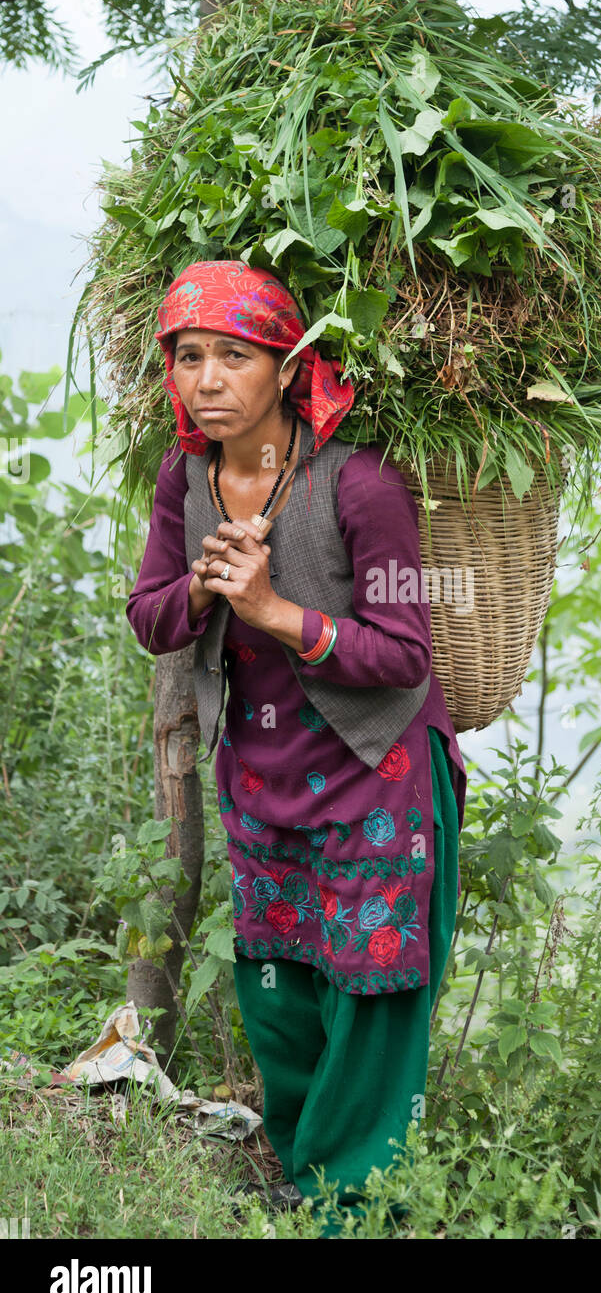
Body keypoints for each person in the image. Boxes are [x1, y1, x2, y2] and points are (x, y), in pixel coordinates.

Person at [125, 258, 466, 1236]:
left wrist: (276, 610)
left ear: (287, 367)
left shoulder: (361, 485)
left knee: (374, 985)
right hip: (264, 773)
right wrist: (199, 590)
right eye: (188, 357)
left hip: (378, 774)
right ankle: (309, 1168)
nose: (207, 379)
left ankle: (357, 1203)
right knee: (279, 981)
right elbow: (151, 617)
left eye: (235, 355)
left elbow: (406, 656)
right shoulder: (184, 478)